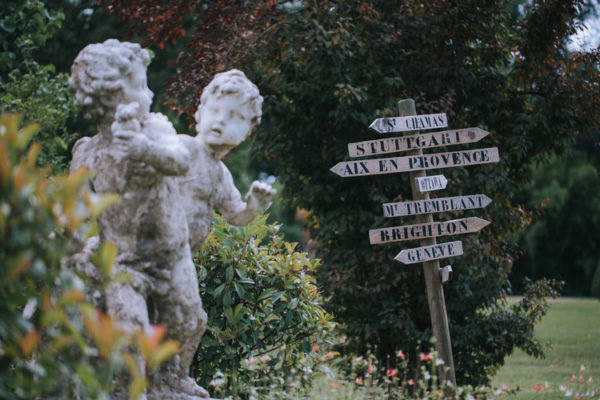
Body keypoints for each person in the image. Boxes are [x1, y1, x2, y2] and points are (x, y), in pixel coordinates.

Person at [69, 39, 209, 400]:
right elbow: (74, 209)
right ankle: (130, 393)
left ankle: (174, 380)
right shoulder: (89, 153)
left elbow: (180, 161)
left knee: (189, 320)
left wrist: (143, 150)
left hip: (171, 256)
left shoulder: (155, 131)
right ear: (112, 97)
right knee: (130, 333)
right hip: (123, 263)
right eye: (141, 86)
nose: (149, 94)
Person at [178, 69, 276, 255]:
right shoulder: (183, 148)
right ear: (199, 114)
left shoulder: (220, 173)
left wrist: (252, 209)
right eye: (214, 110)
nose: (221, 120)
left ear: (248, 131)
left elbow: (234, 215)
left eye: (235, 116)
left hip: (184, 256)